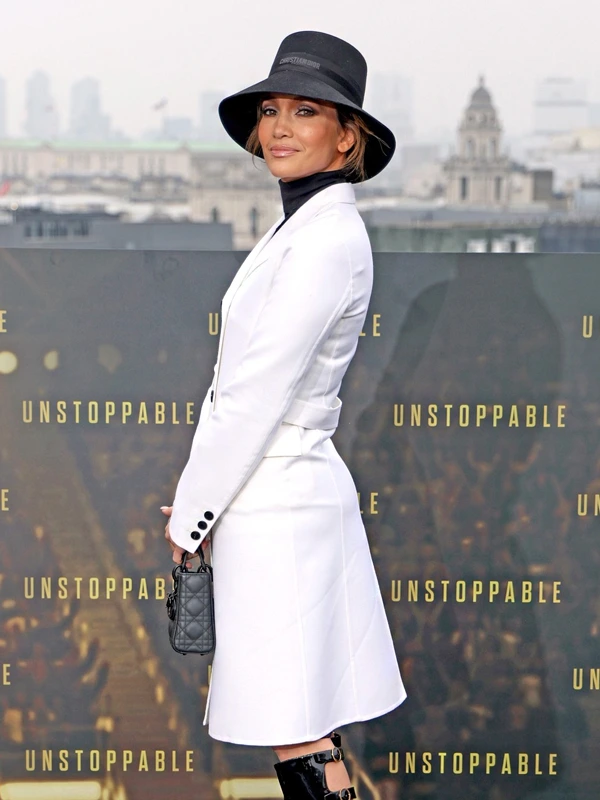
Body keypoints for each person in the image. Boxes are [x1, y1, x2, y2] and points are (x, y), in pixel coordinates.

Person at [162, 30, 407, 800]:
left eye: (306, 111)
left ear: (347, 137)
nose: (279, 127)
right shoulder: (305, 228)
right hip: (273, 497)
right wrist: (207, 504)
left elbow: (255, 391)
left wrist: (194, 513)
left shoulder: (327, 238)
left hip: (278, 503)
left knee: (300, 735)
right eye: (271, 109)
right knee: (306, 730)